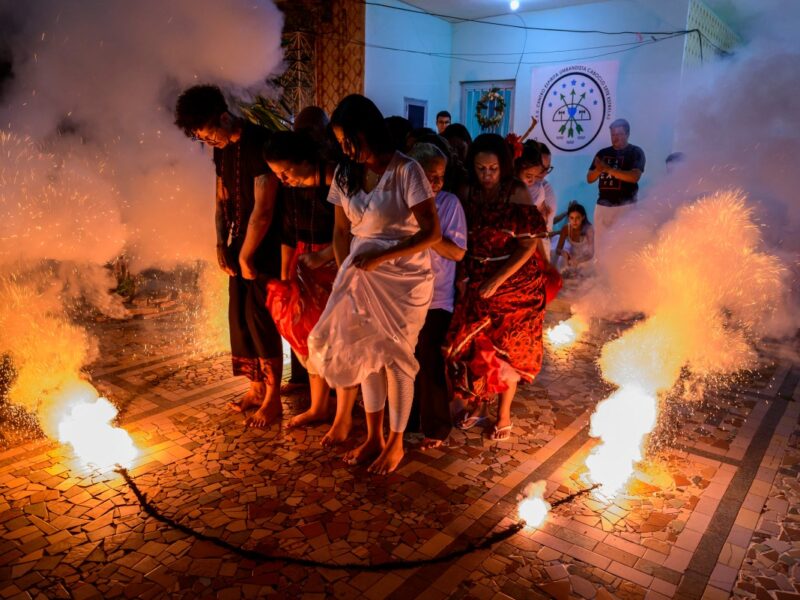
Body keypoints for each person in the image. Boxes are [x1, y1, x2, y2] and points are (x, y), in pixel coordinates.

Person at [306, 94, 441, 474]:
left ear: (370, 132)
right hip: (359, 276)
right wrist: (343, 268)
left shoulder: (407, 170)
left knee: (397, 360)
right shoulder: (344, 173)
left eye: (351, 140)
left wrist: (381, 257)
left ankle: (396, 445)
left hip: (403, 281)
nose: (346, 149)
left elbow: (432, 233)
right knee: (366, 358)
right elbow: (339, 229)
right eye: (341, 142)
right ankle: (373, 437)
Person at [174, 84, 283, 427]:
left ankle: (274, 396)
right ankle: (255, 388)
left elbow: (263, 210)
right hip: (239, 245)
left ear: (224, 116)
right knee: (240, 320)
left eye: (210, 135)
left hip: (264, 247)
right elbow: (221, 198)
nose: (210, 143)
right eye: (203, 139)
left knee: (261, 321)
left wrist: (248, 256)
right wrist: (222, 244)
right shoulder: (221, 151)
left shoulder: (261, 143)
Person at [445, 133, 547, 441]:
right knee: (471, 348)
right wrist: (463, 275)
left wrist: (497, 280)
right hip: (476, 274)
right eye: (480, 169)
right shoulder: (466, 190)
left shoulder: (516, 191)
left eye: (493, 168)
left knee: (507, 352)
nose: (487, 175)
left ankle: (503, 414)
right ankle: (478, 406)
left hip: (515, 282)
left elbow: (529, 244)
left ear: (503, 166)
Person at [262, 130, 337, 429]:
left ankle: (339, 407)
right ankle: (319, 405)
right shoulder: (291, 188)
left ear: (304, 160)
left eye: (285, 171)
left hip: (334, 261)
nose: (282, 179)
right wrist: (285, 276)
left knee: (334, 338)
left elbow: (353, 232)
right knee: (305, 333)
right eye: (277, 174)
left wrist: (324, 257)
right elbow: (288, 232)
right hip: (303, 260)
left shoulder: (335, 181)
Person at [406, 143, 467, 450]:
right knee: (404, 360)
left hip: (436, 298)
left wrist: (428, 233)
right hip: (403, 296)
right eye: (429, 175)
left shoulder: (449, 204)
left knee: (429, 358)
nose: (435, 182)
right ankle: (405, 421)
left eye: (440, 176)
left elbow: (456, 252)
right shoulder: (400, 203)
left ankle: (436, 426)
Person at [586, 118, 645, 246]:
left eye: (619, 134)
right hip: (603, 206)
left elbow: (634, 176)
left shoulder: (635, 152)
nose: (615, 138)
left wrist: (608, 169)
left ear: (627, 134)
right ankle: (600, 266)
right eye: (613, 134)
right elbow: (590, 178)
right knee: (601, 245)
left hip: (626, 206)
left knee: (624, 245)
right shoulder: (603, 153)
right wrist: (598, 170)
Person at [515, 141, 556, 259]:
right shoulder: (521, 189)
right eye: (542, 168)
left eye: (547, 169)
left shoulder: (541, 187)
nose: (543, 173)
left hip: (539, 242)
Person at [553, 201, 594, 273]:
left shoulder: (589, 229)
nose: (574, 221)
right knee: (563, 272)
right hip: (571, 259)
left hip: (586, 260)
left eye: (577, 218)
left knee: (585, 278)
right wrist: (564, 253)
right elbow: (558, 249)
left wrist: (578, 260)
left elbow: (591, 253)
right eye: (571, 218)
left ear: (583, 217)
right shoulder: (566, 229)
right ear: (568, 218)